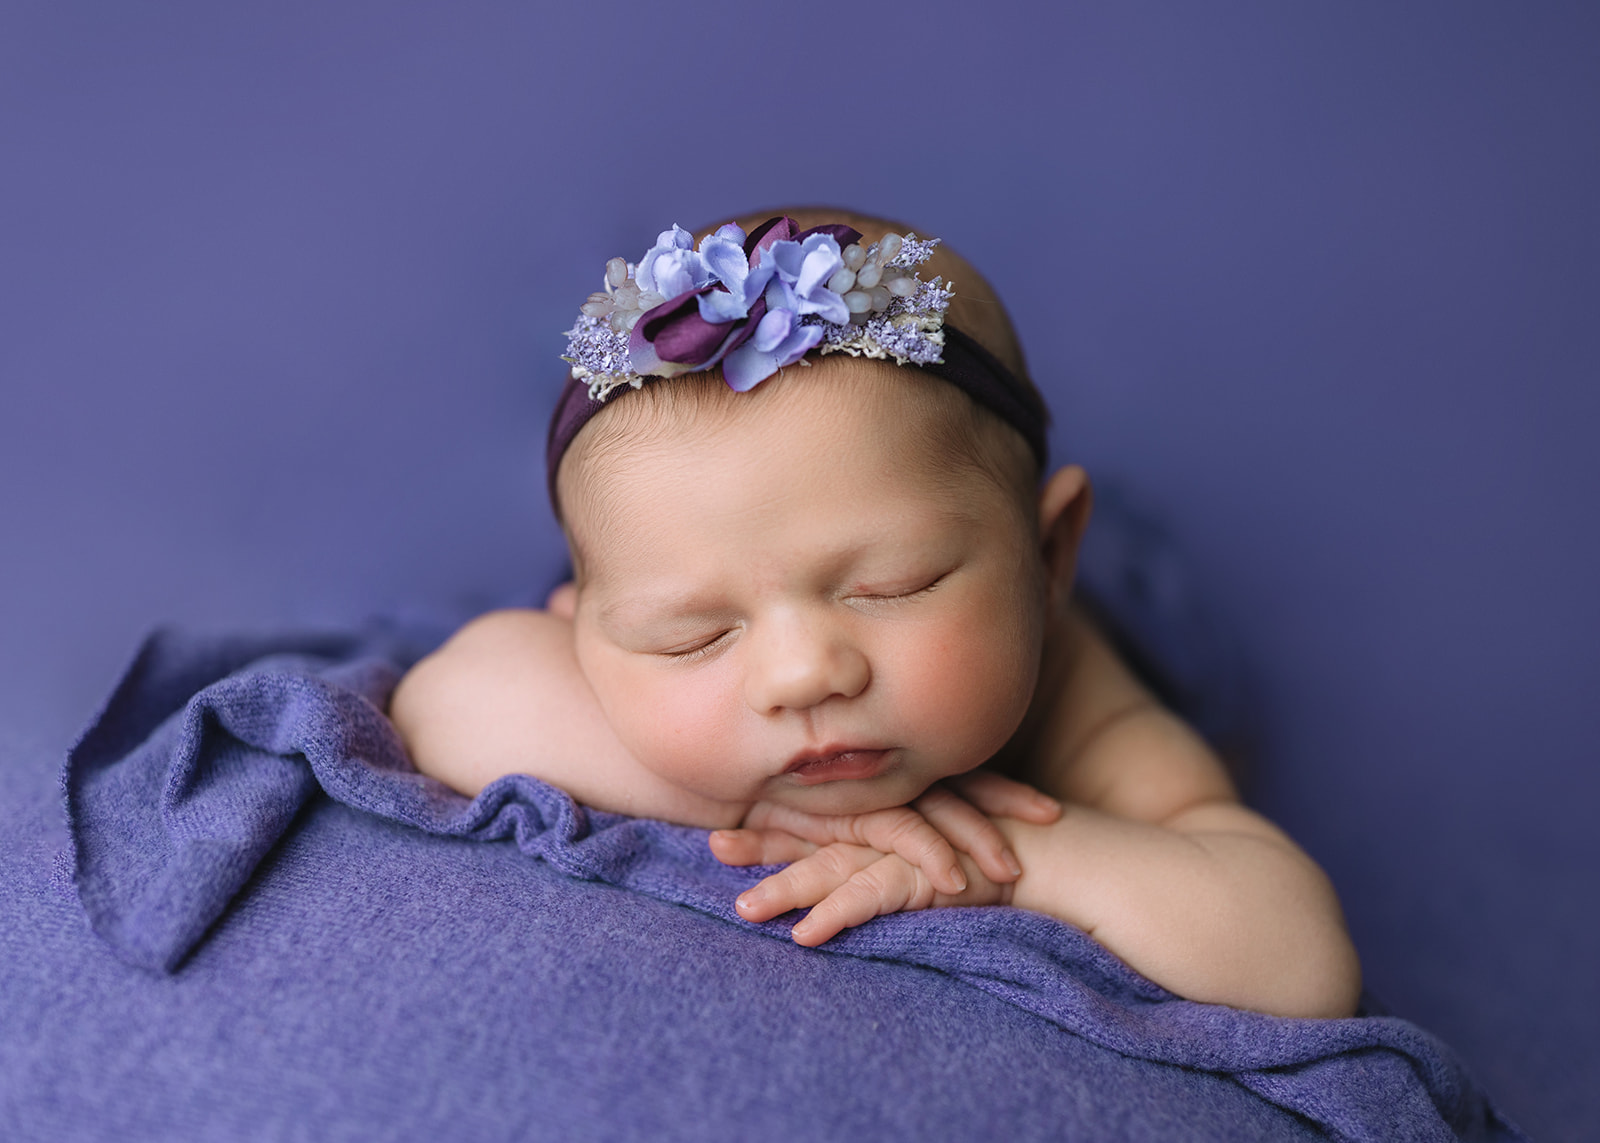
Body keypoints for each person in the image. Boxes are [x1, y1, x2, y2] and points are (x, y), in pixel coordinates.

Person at [389, 208, 1362, 1019]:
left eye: (890, 587)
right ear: (589, 632)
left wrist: (1008, 857)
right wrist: (762, 811)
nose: (801, 673)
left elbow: (1295, 965)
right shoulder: (598, 643)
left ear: (1047, 557)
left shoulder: (1074, 694)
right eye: (694, 634)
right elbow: (446, 704)